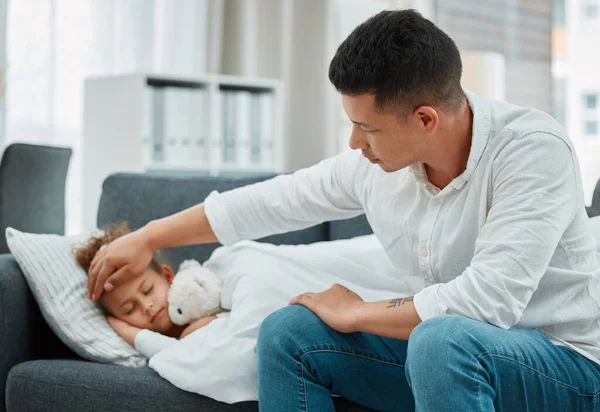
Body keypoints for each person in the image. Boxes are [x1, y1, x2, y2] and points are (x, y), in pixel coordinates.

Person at [87, 9, 600, 411]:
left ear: (425, 119)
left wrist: (358, 313)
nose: (355, 142)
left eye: (368, 127)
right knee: (289, 331)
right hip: (445, 363)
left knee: (441, 339)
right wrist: (149, 238)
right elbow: (268, 202)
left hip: (566, 365)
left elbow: (488, 302)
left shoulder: (531, 150)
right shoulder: (376, 166)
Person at [75, 222, 218, 346]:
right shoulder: (149, 348)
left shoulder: (203, 291)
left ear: (167, 276)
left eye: (148, 290)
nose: (146, 306)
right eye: (129, 309)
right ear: (118, 319)